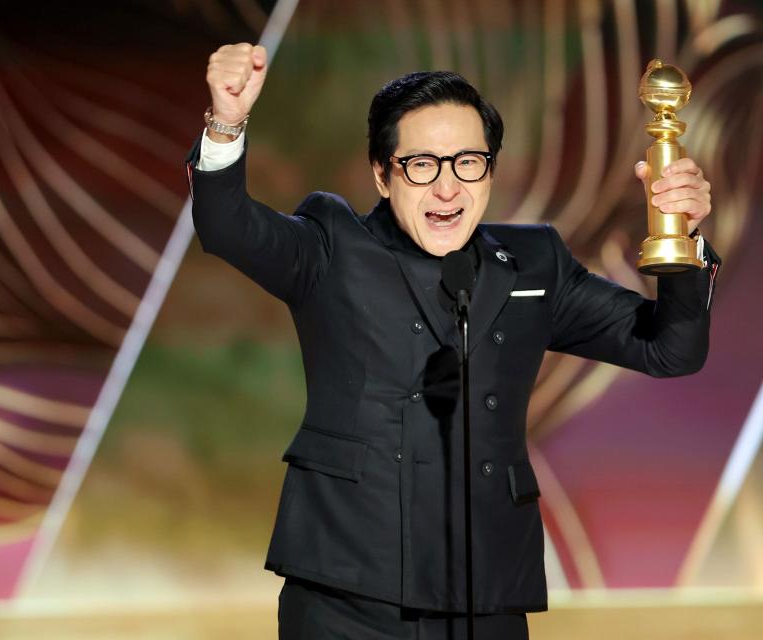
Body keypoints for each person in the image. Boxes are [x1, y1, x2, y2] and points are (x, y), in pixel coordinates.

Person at [186, 43, 720, 640]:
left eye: (469, 162)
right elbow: (226, 225)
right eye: (422, 165)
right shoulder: (331, 248)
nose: (447, 189)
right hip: (348, 593)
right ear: (381, 174)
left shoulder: (532, 263)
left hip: (484, 594)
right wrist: (226, 123)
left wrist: (683, 241)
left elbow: (668, 349)